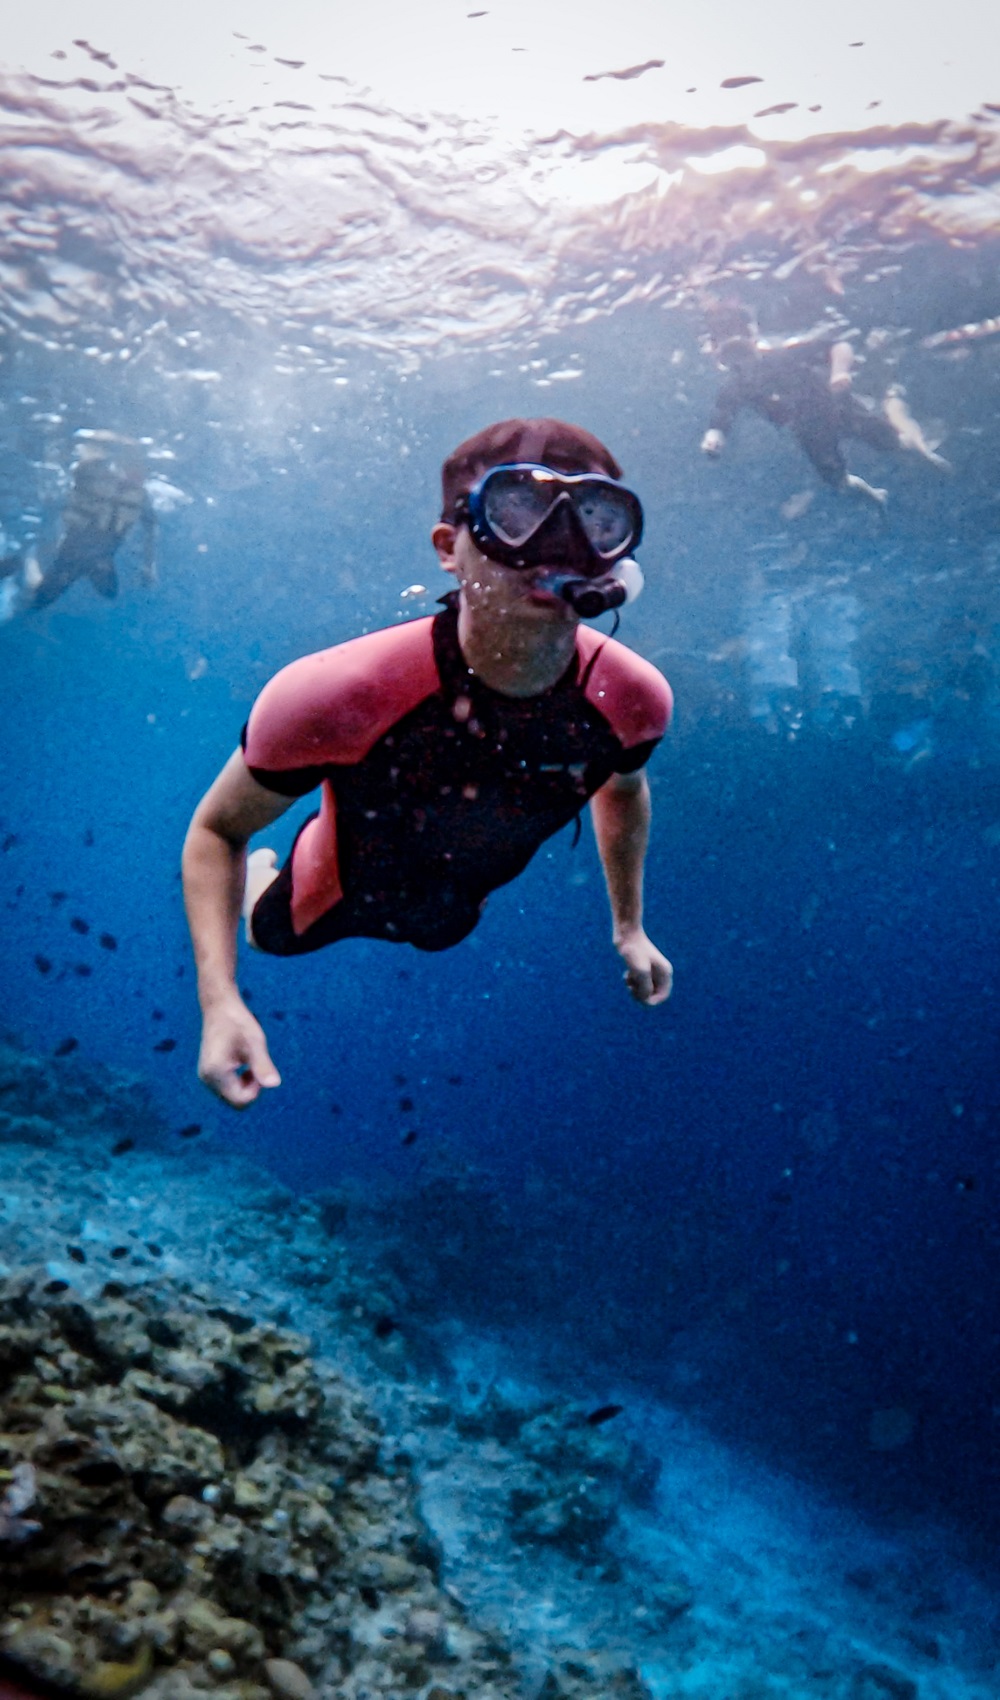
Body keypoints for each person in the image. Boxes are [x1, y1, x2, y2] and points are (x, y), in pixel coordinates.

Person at [182, 417, 674, 1109]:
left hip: (452, 911)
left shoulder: (632, 700)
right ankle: (269, 878)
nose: (555, 548)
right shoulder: (335, 694)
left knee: (439, 930)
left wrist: (629, 927)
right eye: (516, 514)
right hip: (332, 895)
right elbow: (217, 830)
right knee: (273, 933)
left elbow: (622, 788)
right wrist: (220, 1001)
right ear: (450, 548)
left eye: (594, 519)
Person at [700, 321, 949, 512]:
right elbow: (722, 415)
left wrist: (840, 372)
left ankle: (924, 453)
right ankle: (875, 496)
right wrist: (714, 438)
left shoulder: (783, 357)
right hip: (809, 430)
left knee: (896, 444)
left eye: (744, 359)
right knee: (839, 482)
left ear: (754, 347)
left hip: (837, 409)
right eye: (736, 365)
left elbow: (838, 346)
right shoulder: (735, 387)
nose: (745, 369)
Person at [25, 431, 157, 608]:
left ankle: (31, 575)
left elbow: (150, 528)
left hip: (102, 554)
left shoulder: (140, 496)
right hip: (76, 549)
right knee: (42, 597)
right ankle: (28, 568)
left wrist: (148, 564)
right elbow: (64, 495)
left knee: (109, 592)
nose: (134, 471)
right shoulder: (91, 477)